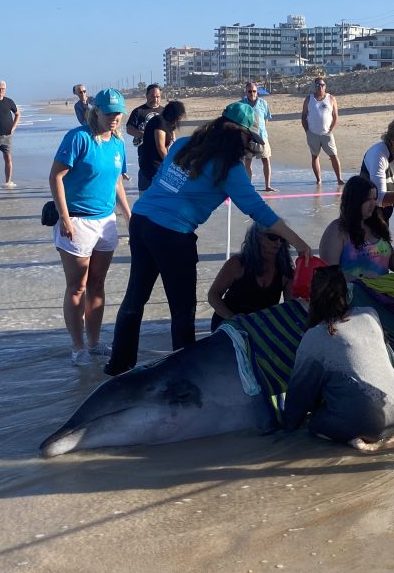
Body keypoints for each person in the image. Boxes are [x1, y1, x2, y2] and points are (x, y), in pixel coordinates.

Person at [104, 102, 313, 376]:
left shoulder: (184, 145)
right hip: (172, 234)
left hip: (143, 221)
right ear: (236, 134)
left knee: (135, 299)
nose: (248, 145)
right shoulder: (227, 167)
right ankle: (186, 374)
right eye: (248, 138)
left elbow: (162, 181)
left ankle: (118, 367)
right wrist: (299, 243)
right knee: (183, 310)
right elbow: (258, 210)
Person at [284, 265, 394, 452]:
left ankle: (354, 438)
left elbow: (300, 397)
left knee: (315, 423)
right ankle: (393, 430)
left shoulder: (315, 336)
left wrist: (287, 428)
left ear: (312, 298)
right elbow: (387, 361)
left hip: (368, 420)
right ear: (346, 293)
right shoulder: (369, 314)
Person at [48, 88, 132, 366]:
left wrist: (128, 216)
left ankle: (95, 343)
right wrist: (64, 217)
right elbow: (56, 176)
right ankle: (77, 346)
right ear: (96, 111)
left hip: (106, 222)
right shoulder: (78, 138)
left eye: (118, 112)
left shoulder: (118, 143)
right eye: (109, 113)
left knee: (97, 284)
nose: (115, 118)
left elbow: (117, 182)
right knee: (77, 286)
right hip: (77, 220)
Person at [207, 222, 294, 331]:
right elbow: (213, 295)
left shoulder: (285, 270)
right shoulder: (238, 263)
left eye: (282, 238)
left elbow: (290, 307)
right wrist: (232, 318)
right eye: (273, 237)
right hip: (228, 323)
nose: (278, 242)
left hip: (260, 327)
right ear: (257, 236)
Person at [317, 175, 394, 280]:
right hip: (353, 293)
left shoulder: (377, 224)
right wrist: (360, 280)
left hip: (382, 292)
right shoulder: (336, 230)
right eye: (368, 200)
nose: (373, 204)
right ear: (354, 201)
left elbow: (391, 257)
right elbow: (329, 272)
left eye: (374, 199)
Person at [301, 77, 345, 184]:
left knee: (334, 155)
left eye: (322, 85)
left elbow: (335, 116)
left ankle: (339, 179)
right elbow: (303, 116)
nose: (320, 87)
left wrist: (331, 129)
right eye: (318, 85)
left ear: (325, 86)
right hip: (312, 133)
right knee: (315, 156)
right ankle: (318, 179)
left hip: (327, 134)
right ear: (315, 87)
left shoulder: (331, 98)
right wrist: (307, 131)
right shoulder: (309, 99)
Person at [136, 100, 186, 192]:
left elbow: (172, 143)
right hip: (152, 166)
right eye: (179, 116)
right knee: (152, 196)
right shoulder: (160, 121)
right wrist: (171, 165)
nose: (179, 118)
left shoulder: (168, 124)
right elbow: (161, 147)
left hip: (158, 165)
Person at [241, 82, 276, 192]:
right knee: (248, 161)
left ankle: (267, 186)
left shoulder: (263, 103)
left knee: (266, 160)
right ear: (246, 92)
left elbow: (266, 118)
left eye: (254, 91)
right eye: (249, 91)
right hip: (247, 138)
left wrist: (262, 130)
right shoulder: (241, 104)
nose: (252, 93)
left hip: (261, 137)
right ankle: (249, 186)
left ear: (257, 92)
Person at [127, 83, 163, 147]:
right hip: (145, 153)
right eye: (152, 96)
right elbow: (129, 129)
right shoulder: (138, 111)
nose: (155, 99)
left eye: (158, 97)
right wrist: (144, 135)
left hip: (163, 151)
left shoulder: (165, 111)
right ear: (146, 95)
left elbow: (171, 129)